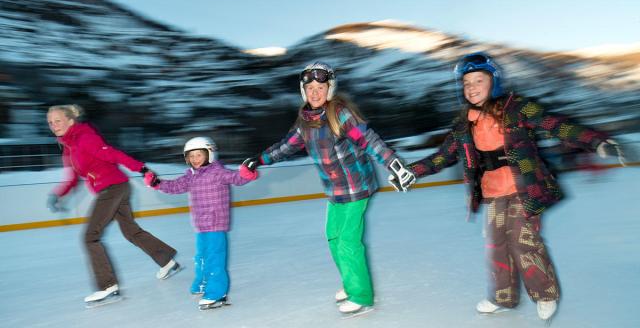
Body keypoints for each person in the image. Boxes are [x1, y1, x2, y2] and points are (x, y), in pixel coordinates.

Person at [396, 52, 625, 321]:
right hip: (493, 193)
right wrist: (412, 172)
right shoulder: (463, 124)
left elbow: (554, 124)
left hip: (524, 188)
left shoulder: (516, 108)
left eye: (478, 80)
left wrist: (595, 141)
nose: (471, 87)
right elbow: (444, 155)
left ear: (494, 81)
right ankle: (503, 297)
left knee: (522, 241)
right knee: (496, 246)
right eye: (466, 83)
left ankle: (545, 293)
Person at [241, 61, 415, 315]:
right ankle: (350, 282)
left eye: (320, 86)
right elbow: (286, 146)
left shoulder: (340, 113)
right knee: (333, 237)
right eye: (309, 87)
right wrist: (260, 159)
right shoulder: (304, 122)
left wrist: (394, 164)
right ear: (303, 91)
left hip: (357, 187)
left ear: (330, 88)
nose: (314, 92)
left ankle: (362, 295)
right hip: (334, 192)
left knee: (347, 242)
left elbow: (369, 140)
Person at [46, 104, 182, 307]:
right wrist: (58, 195)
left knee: (90, 237)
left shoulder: (84, 137)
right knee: (131, 231)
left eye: (57, 120)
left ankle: (107, 286)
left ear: (70, 121)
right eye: (50, 122)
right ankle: (167, 261)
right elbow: (72, 179)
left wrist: (141, 168)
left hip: (113, 187)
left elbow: (112, 154)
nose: (53, 125)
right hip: (113, 188)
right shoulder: (68, 148)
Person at [144, 136, 258, 310]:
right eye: (191, 156)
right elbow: (175, 186)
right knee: (201, 257)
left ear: (209, 154)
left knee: (215, 258)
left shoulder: (218, 171)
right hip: (200, 224)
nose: (195, 159)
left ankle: (217, 294)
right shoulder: (190, 175)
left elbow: (236, 178)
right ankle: (203, 282)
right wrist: (157, 183)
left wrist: (246, 173)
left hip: (216, 222)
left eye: (199, 155)